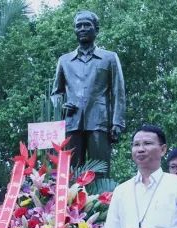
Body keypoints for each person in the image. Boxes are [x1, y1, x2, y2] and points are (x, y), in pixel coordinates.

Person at [51, 10, 125, 175]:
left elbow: (118, 92)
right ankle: (72, 201)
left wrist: (117, 122)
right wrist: (61, 105)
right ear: (75, 31)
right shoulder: (64, 60)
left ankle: (101, 201)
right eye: (79, 26)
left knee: (99, 172)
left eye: (87, 25)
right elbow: (56, 92)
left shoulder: (110, 58)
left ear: (96, 30)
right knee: (71, 172)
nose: (82, 28)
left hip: (99, 121)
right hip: (71, 122)